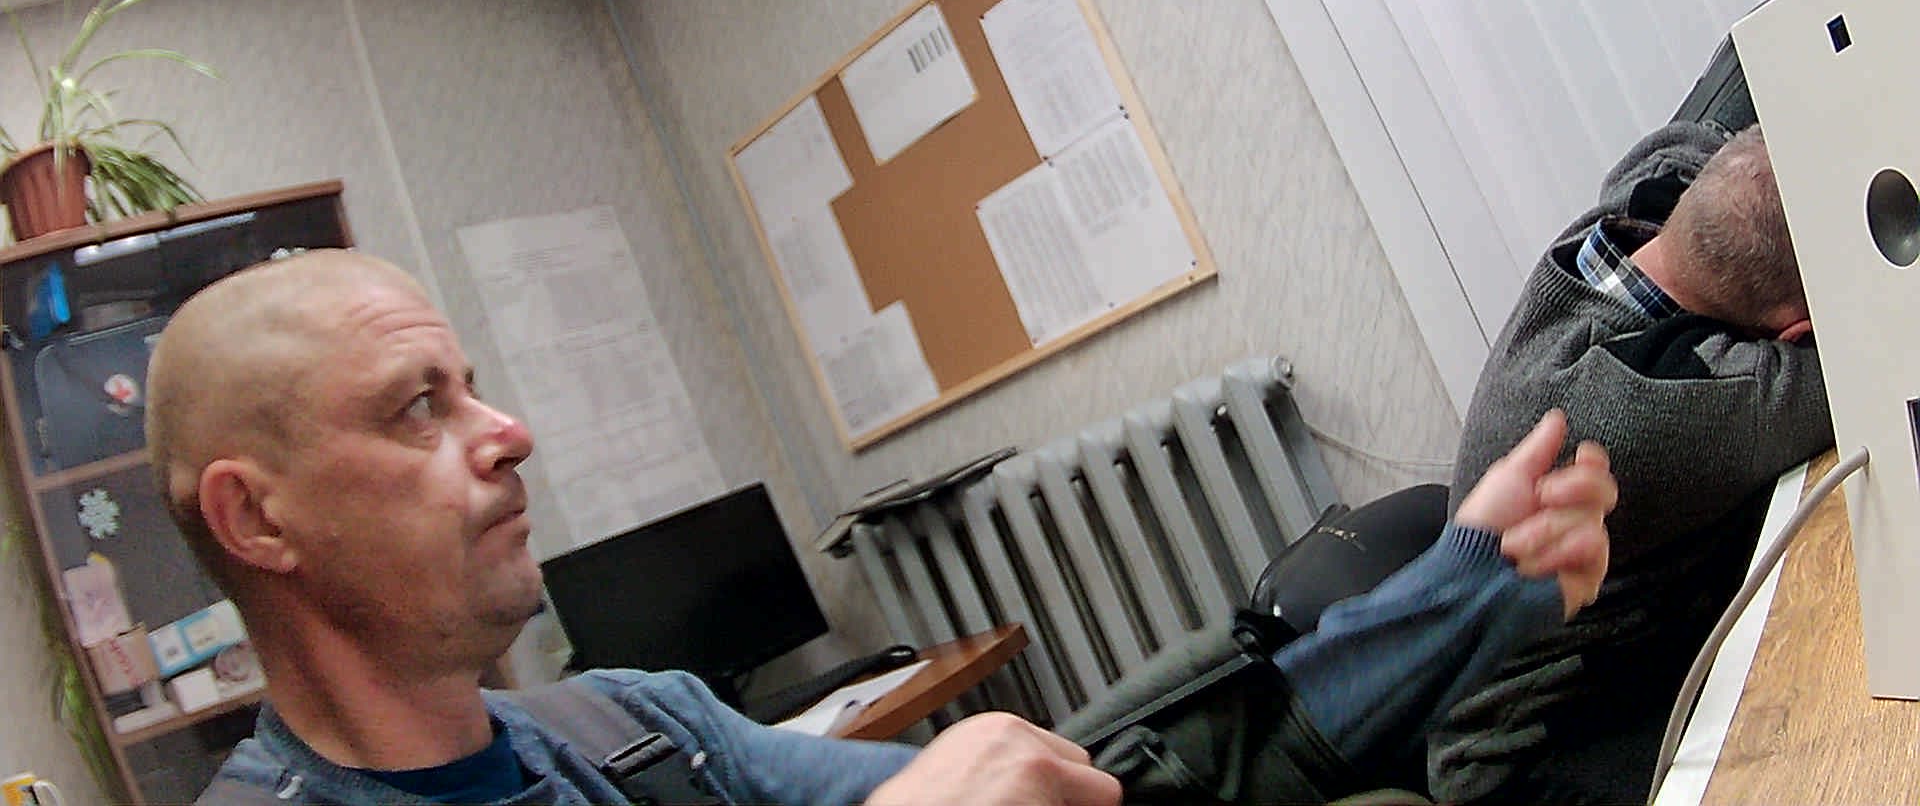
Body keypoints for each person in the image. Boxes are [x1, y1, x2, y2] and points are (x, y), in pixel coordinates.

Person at [146, 250, 1616, 805]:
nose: (508, 430)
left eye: (475, 385)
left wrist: (1463, 581)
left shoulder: (632, 729)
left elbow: (1059, 795)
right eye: (419, 407)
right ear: (255, 518)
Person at [1435, 121, 1833, 802]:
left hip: (1617, 651)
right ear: (1794, 330)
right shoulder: (1656, 406)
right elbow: (1862, 365)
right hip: (1528, 759)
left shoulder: (1647, 206)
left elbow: (1714, 123)